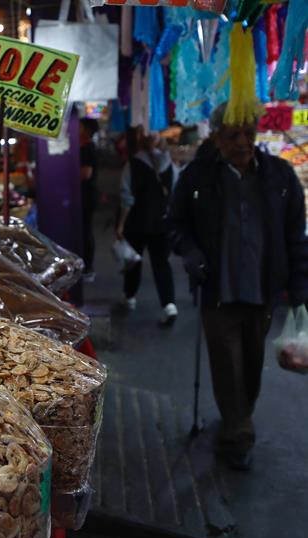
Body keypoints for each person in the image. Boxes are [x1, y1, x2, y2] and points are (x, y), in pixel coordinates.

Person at [168, 103, 308, 471]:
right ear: (215, 137)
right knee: (227, 365)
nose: (243, 142)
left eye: (249, 132)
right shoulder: (197, 177)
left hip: (263, 293)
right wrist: (192, 252)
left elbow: (296, 235)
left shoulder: (279, 176)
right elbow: (174, 224)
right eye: (233, 135)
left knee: (251, 364)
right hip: (218, 292)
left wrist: (298, 289)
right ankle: (238, 431)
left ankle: (238, 417)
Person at [117, 125, 178, 325]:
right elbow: (175, 193)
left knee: (134, 260)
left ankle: (130, 297)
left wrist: (121, 224)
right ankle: (169, 304)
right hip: (162, 223)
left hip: (137, 222)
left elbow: (126, 197)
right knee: (162, 263)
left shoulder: (132, 164)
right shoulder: (170, 165)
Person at [79, 118, 100, 281]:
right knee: (84, 229)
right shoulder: (84, 146)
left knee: (85, 230)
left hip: (86, 195)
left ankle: (88, 267)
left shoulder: (88, 148)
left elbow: (86, 174)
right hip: (85, 194)